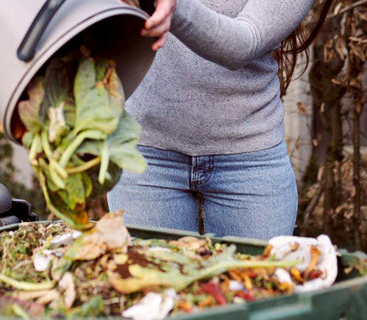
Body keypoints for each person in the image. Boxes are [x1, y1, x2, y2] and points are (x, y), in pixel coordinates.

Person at [107, 0, 333, 240]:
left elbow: (245, 42)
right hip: (145, 157)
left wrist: (173, 5)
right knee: (150, 275)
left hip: (249, 165)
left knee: (253, 277)